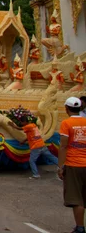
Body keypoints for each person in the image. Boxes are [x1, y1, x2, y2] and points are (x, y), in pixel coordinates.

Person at [58, 96, 86, 233]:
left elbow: (63, 146)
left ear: (67, 109)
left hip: (74, 164)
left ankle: (80, 227)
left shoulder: (66, 123)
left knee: (77, 199)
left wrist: (60, 166)